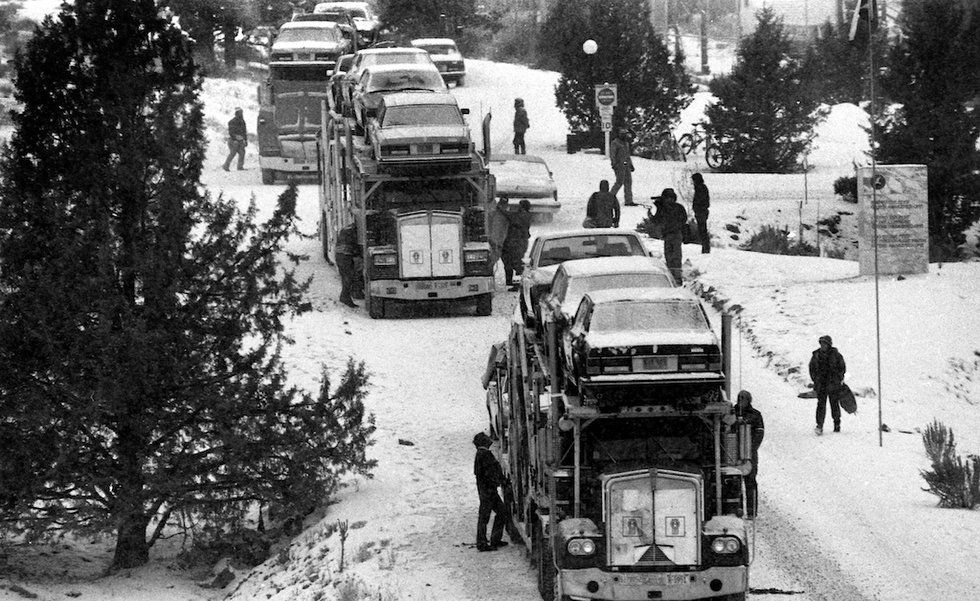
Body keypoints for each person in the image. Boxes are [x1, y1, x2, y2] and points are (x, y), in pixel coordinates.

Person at [473, 432, 510, 551]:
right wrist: (500, 481)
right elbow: (490, 472)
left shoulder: (481, 454)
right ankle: (483, 543)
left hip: (487, 491)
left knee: (498, 513)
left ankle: (492, 540)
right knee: (488, 516)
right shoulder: (484, 454)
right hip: (488, 491)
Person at [735, 390, 765, 518]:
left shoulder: (756, 415)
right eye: (739, 397)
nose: (740, 400)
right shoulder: (732, 412)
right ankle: (738, 510)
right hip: (734, 454)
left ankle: (752, 511)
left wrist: (751, 449)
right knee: (735, 482)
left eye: (743, 398)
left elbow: (760, 433)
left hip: (750, 454)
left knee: (750, 482)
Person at [809, 335, 846, 434]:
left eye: (825, 344)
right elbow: (812, 368)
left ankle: (837, 424)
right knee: (821, 405)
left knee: (834, 404)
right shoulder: (816, 355)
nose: (823, 346)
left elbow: (842, 368)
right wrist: (816, 380)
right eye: (821, 343)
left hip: (833, 384)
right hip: (821, 384)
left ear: (829, 345)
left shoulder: (836, 355)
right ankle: (819, 425)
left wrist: (838, 379)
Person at [649, 188, 687, 283]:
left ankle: (674, 277)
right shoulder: (678, 207)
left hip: (671, 234)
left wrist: (655, 210)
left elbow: (656, 220)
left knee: (671, 256)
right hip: (675, 234)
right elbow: (684, 219)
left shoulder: (664, 208)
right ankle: (676, 277)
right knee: (674, 256)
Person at [502, 199, 532, 290]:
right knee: (508, 261)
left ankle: (523, 280)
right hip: (514, 243)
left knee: (515, 262)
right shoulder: (524, 215)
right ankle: (511, 281)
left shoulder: (523, 216)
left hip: (518, 243)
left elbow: (511, 217)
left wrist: (501, 209)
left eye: (520, 206)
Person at [335, 222, 360, 308]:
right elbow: (354, 246)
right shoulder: (352, 232)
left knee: (347, 277)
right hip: (344, 256)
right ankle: (345, 297)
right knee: (348, 277)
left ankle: (345, 296)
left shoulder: (347, 230)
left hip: (342, 256)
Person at [609, 128, 635, 206]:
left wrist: (631, 165)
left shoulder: (626, 143)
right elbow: (612, 155)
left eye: (625, 134)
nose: (624, 136)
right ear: (619, 134)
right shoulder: (615, 143)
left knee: (628, 182)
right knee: (619, 182)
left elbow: (627, 155)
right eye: (622, 134)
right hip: (619, 165)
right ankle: (609, 198)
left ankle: (628, 200)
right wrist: (614, 164)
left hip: (626, 165)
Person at [488, 196, 511, 277]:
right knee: (493, 260)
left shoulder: (505, 215)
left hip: (500, 242)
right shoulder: (495, 214)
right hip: (496, 242)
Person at [223, 107, 247, 171]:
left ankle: (240, 167)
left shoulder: (242, 122)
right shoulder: (232, 122)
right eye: (240, 113)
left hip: (240, 140)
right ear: (236, 113)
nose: (241, 114)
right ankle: (226, 165)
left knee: (242, 153)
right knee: (233, 153)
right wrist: (235, 139)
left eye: (241, 113)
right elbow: (231, 132)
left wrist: (245, 140)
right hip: (233, 140)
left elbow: (244, 132)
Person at [692, 172, 710, 254]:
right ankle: (705, 247)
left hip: (701, 212)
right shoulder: (701, 187)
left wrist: (697, 208)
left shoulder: (700, 188)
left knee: (702, 230)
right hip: (701, 211)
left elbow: (701, 201)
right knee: (702, 230)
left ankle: (705, 248)